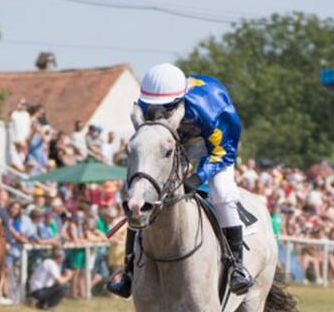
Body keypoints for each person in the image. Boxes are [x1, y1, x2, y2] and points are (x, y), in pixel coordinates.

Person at [108, 63, 253, 298]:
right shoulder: (148, 102)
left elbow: (223, 153)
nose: (159, 113)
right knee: (140, 193)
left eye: (166, 108)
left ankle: (237, 267)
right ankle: (128, 270)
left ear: (179, 100)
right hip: (174, 142)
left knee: (222, 193)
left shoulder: (211, 109)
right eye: (154, 107)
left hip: (211, 146)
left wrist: (197, 178)